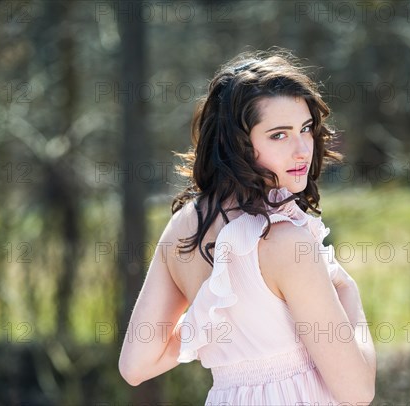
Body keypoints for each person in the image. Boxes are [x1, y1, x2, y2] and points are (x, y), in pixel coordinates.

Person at [118, 49, 376, 405]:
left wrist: (211, 327)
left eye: (305, 129)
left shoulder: (184, 227)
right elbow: (358, 392)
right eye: (278, 135)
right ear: (237, 143)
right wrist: (349, 293)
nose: (303, 149)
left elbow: (136, 365)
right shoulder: (285, 241)